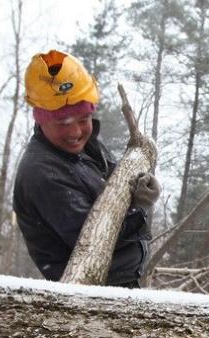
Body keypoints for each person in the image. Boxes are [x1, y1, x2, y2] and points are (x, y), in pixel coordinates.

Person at [13, 49, 160, 288]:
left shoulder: (86, 147)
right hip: (91, 294)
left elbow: (117, 179)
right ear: (40, 119)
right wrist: (139, 207)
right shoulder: (42, 174)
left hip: (120, 284)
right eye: (62, 123)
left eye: (82, 119)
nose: (75, 132)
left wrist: (139, 184)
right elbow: (97, 237)